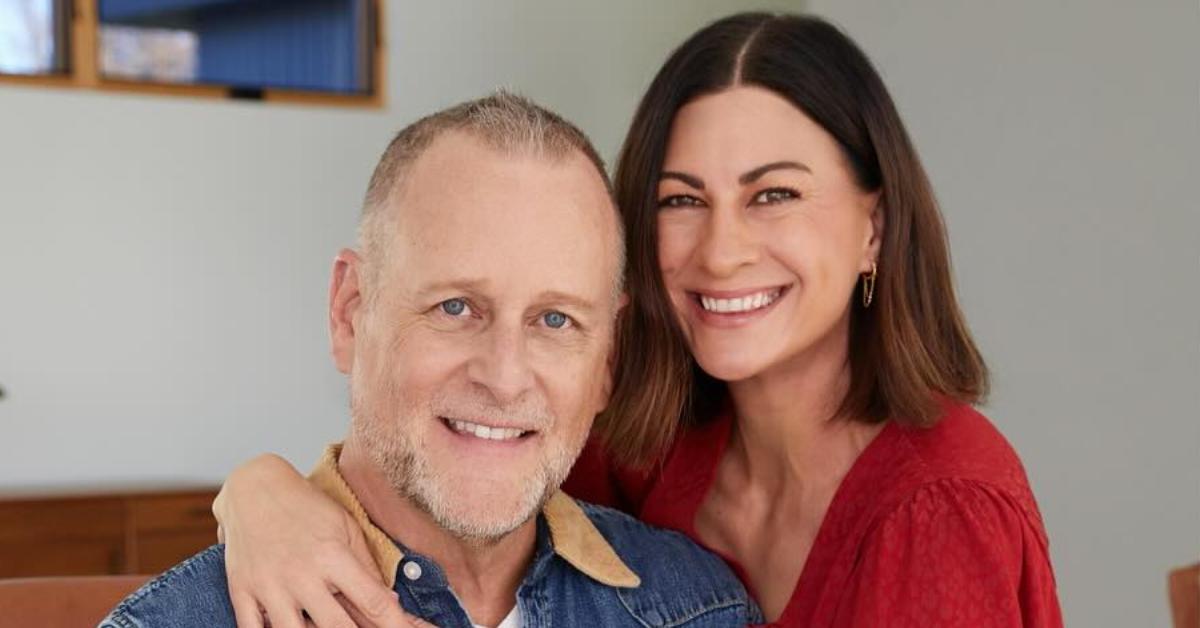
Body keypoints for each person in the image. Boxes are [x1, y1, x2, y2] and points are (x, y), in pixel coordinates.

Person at [212, 13, 1064, 627]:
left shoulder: (942, 506)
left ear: (874, 227)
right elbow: (460, 495)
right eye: (682, 199)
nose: (721, 251)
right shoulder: (647, 450)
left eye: (774, 195)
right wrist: (259, 494)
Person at [100, 92, 760, 628]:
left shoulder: (699, 610)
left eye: (555, 320)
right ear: (348, 311)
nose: (504, 377)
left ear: (607, 360)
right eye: (455, 308)